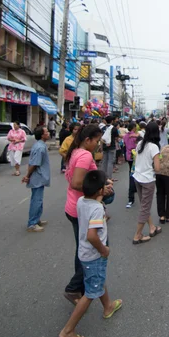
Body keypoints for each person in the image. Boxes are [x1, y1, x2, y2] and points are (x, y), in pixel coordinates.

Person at [57, 170, 122, 337]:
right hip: (94, 254)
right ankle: (67, 332)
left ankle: (108, 306)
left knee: (97, 279)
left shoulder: (81, 201)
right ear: (101, 190)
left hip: (84, 253)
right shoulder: (97, 209)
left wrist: (100, 196)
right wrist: (104, 250)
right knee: (90, 293)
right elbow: (93, 235)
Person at [64, 124, 110, 305]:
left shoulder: (76, 151)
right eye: (96, 141)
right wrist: (101, 190)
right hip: (83, 208)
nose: (98, 144)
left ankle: (82, 288)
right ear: (87, 140)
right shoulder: (84, 155)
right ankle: (75, 288)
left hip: (75, 206)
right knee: (93, 251)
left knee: (82, 249)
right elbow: (76, 183)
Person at [132, 121, 162, 243]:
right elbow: (157, 168)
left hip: (137, 177)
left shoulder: (140, 143)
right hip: (148, 180)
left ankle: (152, 227)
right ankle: (137, 235)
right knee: (145, 207)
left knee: (145, 205)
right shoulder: (154, 147)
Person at [22, 126, 50, 232]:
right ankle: (32, 223)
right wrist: (27, 176)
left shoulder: (39, 145)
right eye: (46, 132)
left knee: (38, 199)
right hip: (37, 177)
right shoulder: (40, 147)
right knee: (36, 200)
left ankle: (37, 219)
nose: (48, 133)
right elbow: (34, 164)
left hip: (39, 177)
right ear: (42, 135)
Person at [123, 123, 139, 209]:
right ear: (133, 128)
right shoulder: (135, 136)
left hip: (128, 156)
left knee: (131, 171)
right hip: (135, 156)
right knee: (133, 174)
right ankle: (131, 195)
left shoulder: (125, 136)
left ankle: (134, 190)